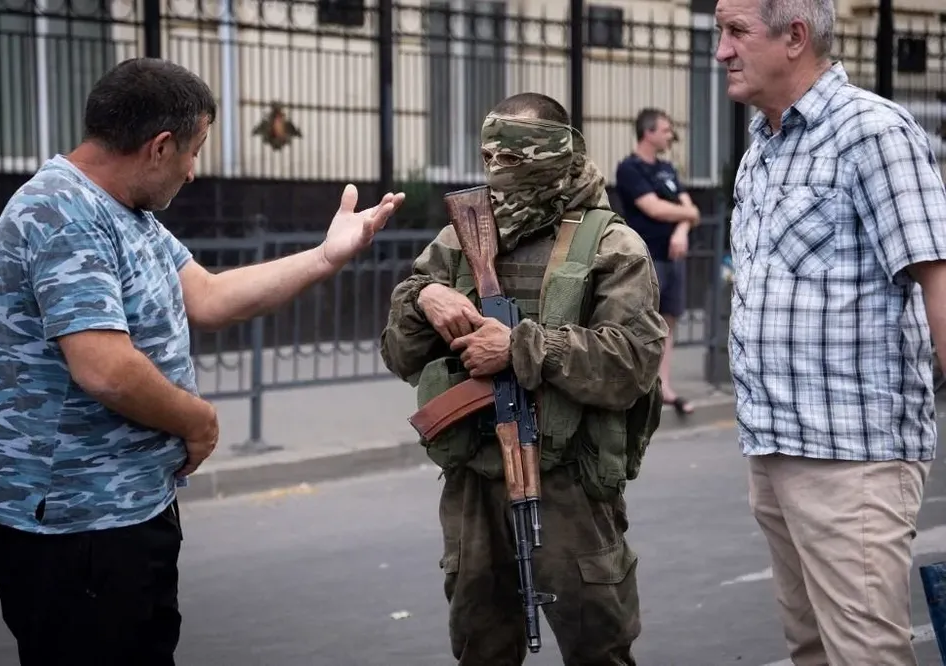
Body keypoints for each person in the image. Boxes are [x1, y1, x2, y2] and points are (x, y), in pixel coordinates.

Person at [0, 57, 404, 665]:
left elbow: (207, 295)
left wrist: (326, 256)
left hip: (128, 510)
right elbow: (104, 368)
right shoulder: (63, 213)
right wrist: (196, 421)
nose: (195, 171)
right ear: (159, 146)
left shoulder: (130, 212)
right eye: (194, 149)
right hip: (76, 526)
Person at [380, 92, 667, 666]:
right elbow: (399, 353)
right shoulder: (463, 235)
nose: (499, 174)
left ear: (556, 155)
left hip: (569, 485)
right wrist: (423, 299)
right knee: (481, 646)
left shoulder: (610, 245)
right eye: (491, 159)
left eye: (515, 160)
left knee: (598, 648)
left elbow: (634, 361)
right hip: (474, 483)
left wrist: (520, 345)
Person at [715, 0, 946, 663]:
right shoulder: (762, 146)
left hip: (855, 456)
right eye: (718, 33)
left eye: (735, 32)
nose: (722, 52)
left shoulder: (872, 133)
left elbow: (938, 278)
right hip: (774, 445)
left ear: (795, 36)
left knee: (863, 654)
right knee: (811, 648)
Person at [615, 108, 701, 416]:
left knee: (669, 321)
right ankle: (640, 385)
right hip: (646, 256)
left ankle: (664, 385)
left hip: (673, 254)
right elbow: (653, 209)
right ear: (648, 133)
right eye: (665, 130)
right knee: (643, 321)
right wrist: (684, 217)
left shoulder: (668, 169)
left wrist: (681, 230)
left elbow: (690, 210)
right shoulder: (629, 168)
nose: (670, 136)